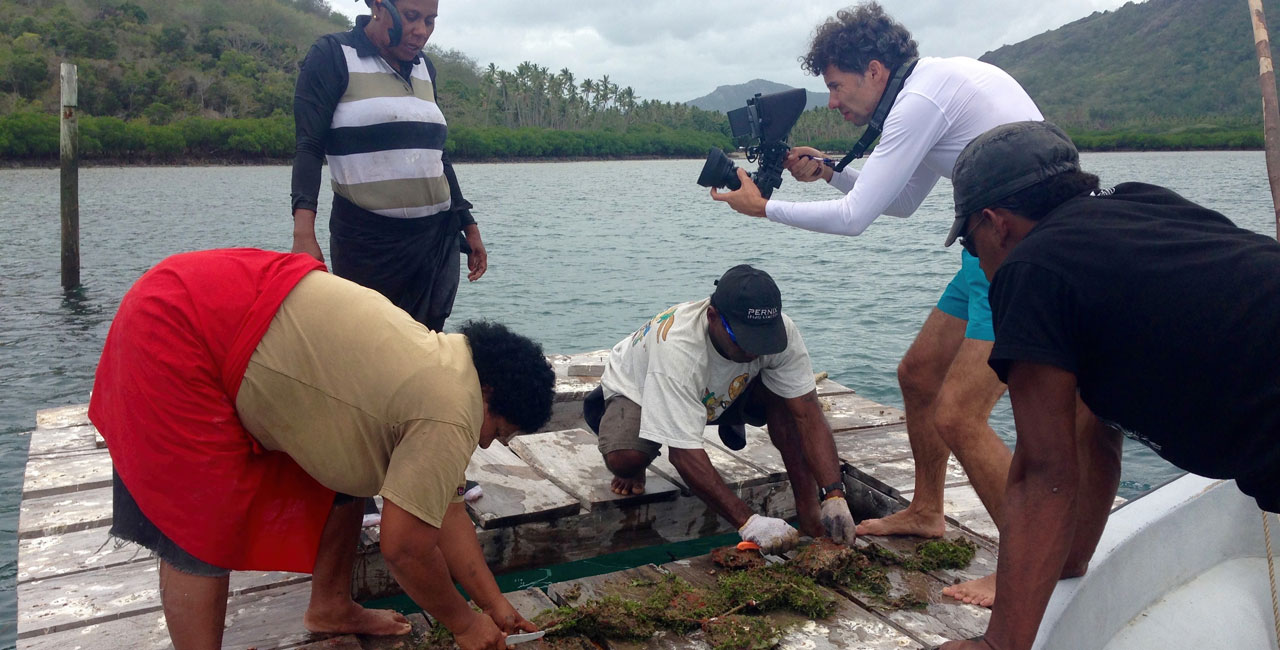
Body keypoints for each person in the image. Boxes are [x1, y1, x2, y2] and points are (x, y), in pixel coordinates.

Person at [709, 1, 1042, 605]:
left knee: (961, 414)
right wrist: (831, 171)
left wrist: (764, 209)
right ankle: (927, 510)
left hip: (1021, 255)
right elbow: (903, 200)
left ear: (874, 71)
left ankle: (1023, 570)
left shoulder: (921, 100)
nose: (832, 101)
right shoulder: (925, 91)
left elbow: (858, 220)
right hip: (983, 247)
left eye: (836, 86)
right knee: (917, 375)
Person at [88, 249, 556, 650]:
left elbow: (446, 510)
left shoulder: (451, 366)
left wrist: (495, 607)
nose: (487, 442)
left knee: (354, 469)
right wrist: (465, 624)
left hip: (229, 300)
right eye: (497, 429)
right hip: (179, 324)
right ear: (490, 393)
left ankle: (331, 606)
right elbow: (406, 548)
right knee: (199, 530)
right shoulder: (452, 410)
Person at [935, 121, 1280, 650]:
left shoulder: (1031, 270)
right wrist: (1070, 555)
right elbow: (1093, 427)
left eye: (971, 241)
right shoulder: (1141, 202)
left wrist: (997, 645)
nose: (978, 259)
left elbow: (1043, 475)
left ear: (994, 223)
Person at [582, 265, 857, 554]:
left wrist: (834, 495)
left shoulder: (781, 334)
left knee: (790, 404)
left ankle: (809, 513)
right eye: (745, 340)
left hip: (721, 390)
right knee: (625, 459)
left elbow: (808, 414)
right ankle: (630, 436)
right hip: (641, 388)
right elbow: (683, 454)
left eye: (762, 341)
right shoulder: (678, 350)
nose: (754, 352)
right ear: (712, 317)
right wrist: (749, 522)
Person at [291, 0, 486, 332]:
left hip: (435, 239)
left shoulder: (426, 67)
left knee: (427, 345)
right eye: (411, 17)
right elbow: (309, 147)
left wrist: (469, 224)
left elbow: (436, 154)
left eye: (430, 20)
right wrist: (303, 233)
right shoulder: (334, 55)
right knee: (370, 344)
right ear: (380, 6)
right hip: (369, 243)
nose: (421, 31)